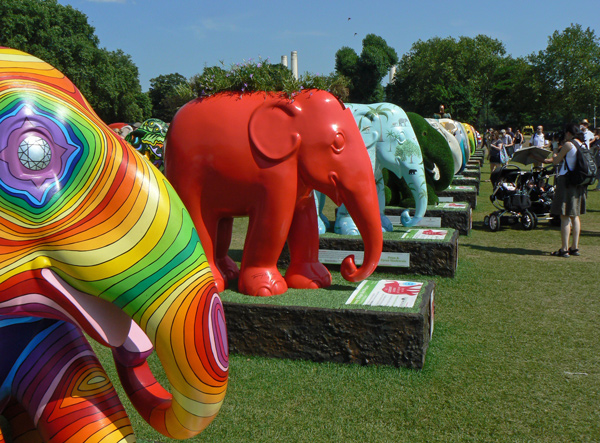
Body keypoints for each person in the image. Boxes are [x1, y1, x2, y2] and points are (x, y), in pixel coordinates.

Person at [538, 123, 586, 257]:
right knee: (575, 216)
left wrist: (554, 148)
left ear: (569, 133)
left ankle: (564, 248)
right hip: (578, 182)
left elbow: (555, 161)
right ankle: (574, 247)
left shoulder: (568, 145)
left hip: (566, 181)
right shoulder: (583, 145)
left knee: (564, 216)